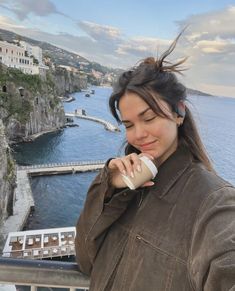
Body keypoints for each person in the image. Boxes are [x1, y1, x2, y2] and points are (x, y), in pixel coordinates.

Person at [75, 33, 235, 291]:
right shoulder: (124, 186)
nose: (138, 134)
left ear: (179, 112)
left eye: (148, 119)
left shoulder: (213, 201)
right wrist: (110, 187)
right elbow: (84, 260)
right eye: (128, 125)